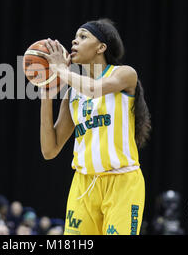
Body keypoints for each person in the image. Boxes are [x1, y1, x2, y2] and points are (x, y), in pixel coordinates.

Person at [39, 19, 151, 235]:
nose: (74, 40)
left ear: (101, 47)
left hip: (122, 183)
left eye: (83, 36)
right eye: (75, 36)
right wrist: (46, 94)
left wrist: (62, 71)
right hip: (83, 185)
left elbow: (94, 89)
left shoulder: (125, 74)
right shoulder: (73, 93)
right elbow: (49, 150)